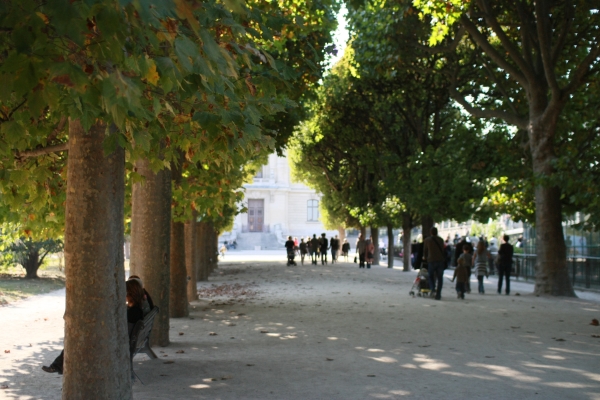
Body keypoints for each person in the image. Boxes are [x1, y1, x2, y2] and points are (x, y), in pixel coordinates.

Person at [42, 280, 146, 375]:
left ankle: (57, 366)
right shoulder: (136, 309)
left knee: (78, 341)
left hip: (115, 343)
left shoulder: (133, 312)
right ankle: (57, 366)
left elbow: (119, 328)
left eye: (125, 292)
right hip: (122, 342)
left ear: (130, 293)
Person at [423, 227, 446, 300]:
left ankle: (433, 289)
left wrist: (425, 257)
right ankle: (438, 294)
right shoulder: (441, 240)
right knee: (440, 278)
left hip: (431, 260)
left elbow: (425, 250)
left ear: (430, 232)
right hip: (440, 260)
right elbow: (442, 249)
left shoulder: (427, 240)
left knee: (430, 276)